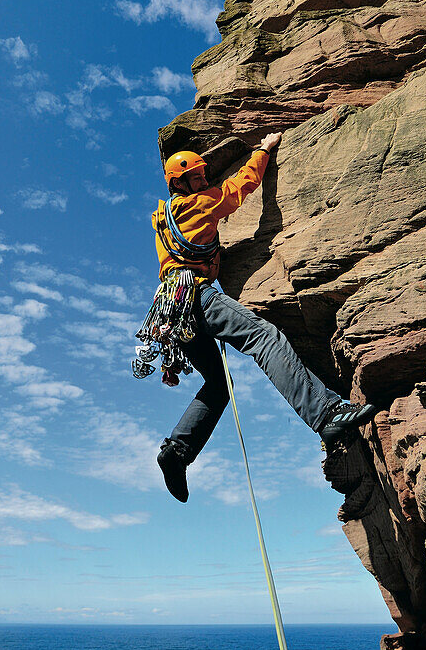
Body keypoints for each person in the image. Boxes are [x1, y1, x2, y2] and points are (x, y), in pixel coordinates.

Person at [152, 132, 376, 502]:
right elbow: (241, 185)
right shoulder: (197, 204)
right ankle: (326, 415)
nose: (204, 180)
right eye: (197, 176)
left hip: (172, 312)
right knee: (263, 337)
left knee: (218, 387)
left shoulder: (163, 215)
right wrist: (263, 148)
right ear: (179, 182)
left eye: (204, 175)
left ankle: (177, 452)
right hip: (197, 296)